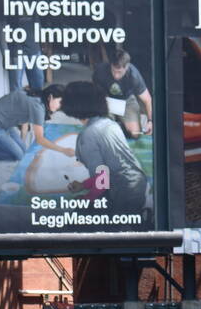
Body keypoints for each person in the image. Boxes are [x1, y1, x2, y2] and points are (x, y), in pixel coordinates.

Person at [62, 80, 151, 219]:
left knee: (75, 218)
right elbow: (108, 172)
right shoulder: (111, 124)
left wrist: (85, 200)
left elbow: (102, 182)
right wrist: (84, 185)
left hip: (124, 193)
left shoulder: (88, 136)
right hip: (138, 184)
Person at [92, 49, 154, 138]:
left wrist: (150, 121)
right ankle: (112, 123)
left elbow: (147, 100)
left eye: (119, 72)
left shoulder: (134, 75)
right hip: (107, 100)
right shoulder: (100, 71)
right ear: (111, 65)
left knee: (135, 134)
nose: (116, 75)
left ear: (127, 67)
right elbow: (94, 93)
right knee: (104, 132)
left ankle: (118, 124)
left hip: (127, 101)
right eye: (114, 71)